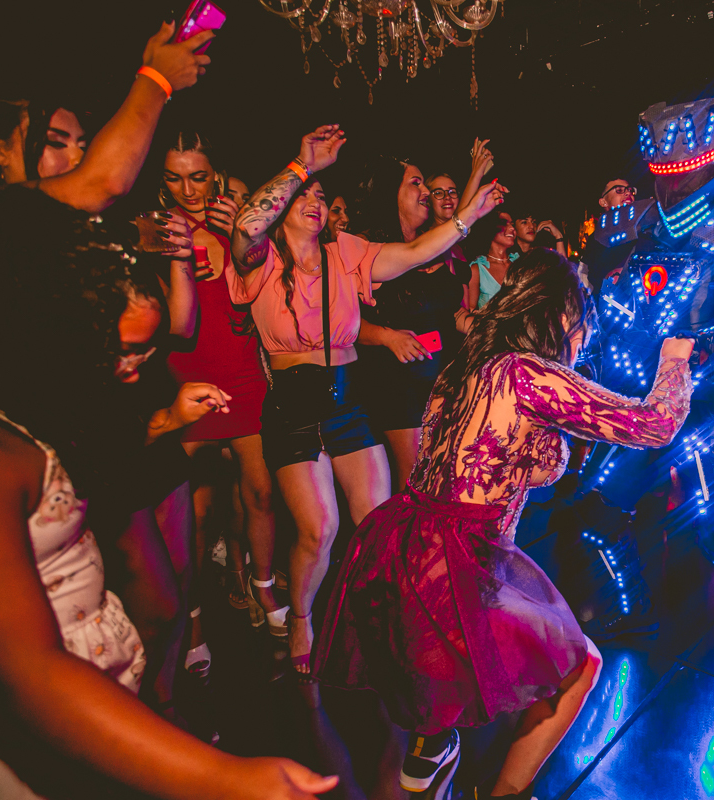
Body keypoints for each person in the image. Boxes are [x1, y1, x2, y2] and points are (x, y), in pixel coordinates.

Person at [0, 21, 340, 800]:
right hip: (86, 452)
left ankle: (168, 708)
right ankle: (164, 725)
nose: (76, 161)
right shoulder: (38, 235)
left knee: (162, 593)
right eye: (52, 143)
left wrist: (159, 411)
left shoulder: (95, 238)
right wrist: (155, 79)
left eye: (78, 143)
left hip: (115, 437)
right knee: (144, 592)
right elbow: (30, 671)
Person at [314, 250, 694, 799]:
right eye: (582, 325)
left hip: (407, 540)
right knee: (580, 667)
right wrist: (674, 360)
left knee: (437, 698)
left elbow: (504, 462)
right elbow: (653, 424)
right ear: (561, 316)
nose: (583, 340)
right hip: (462, 552)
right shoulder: (527, 372)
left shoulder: (466, 366)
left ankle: (429, 758)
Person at [228, 125, 506, 675]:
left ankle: (389, 618)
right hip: (293, 409)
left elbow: (416, 252)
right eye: (303, 196)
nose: (315, 201)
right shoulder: (260, 260)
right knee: (319, 530)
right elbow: (246, 226)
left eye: (320, 195)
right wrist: (301, 167)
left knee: (379, 522)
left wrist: (467, 218)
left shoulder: (346, 253)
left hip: (347, 402)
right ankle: (302, 618)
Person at [157, 132, 285, 652]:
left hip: (242, 371)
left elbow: (258, 293)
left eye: (198, 177)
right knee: (195, 511)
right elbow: (174, 323)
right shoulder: (159, 231)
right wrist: (177, 258)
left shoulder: (236, 225)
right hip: (189, 376)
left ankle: (263, 586)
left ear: (216, 176)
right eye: (174, 178)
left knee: (261, 492)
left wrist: (238, 237)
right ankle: (191, 616)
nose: (188, 189)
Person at [355, 147, 493, 490]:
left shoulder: (431, 245)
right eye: (416, 183)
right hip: (398, 382)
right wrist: (386, 336)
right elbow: (343, 322)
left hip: (442, 377)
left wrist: (484, 327)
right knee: (415, 482)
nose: (426, 191)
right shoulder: (368, 247)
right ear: (391, 192)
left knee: (445, 478)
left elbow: (449, 311)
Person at [467, 210, 519, 309]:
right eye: (504, 223)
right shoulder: (477, 269)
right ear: (489, 228)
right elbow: (470, 309)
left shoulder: (520, 263)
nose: (512, 228)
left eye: (512, 224)